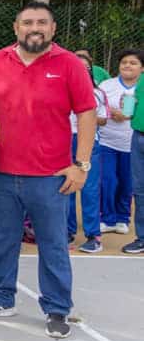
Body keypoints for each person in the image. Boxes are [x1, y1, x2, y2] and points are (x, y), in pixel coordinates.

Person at [0, 2, 96, 339]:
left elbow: (86, 113)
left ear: (52, 29)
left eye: (41, 22)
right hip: (2, 174)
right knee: (2, 240)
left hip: (51, 177)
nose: (34, 28)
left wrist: (81, 164)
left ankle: (56, 308)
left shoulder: (68, 64)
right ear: (16, 27)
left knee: (52, 244)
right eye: (27, 22)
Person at [97, 50, 143, 235]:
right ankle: (108, 218)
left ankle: (122, 218)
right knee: (108, 180)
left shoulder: (141, 87)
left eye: (133, 62)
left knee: (127, 183)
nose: (127, 65)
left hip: (131, 144)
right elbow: (97, 106)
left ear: (141, 68)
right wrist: (110, 113)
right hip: (107, 142)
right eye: (124, 62)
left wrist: (125, 115)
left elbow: (130, 113)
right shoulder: (107, 85)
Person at [67, 54, 108, 253]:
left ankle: (93, 236)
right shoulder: (60, 89)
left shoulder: (98, 93)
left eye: (86, 67)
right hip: (65, 141)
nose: (82, 69)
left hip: (89, 141)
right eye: (77, 65)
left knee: (89, 189)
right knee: (65, 187)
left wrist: (85, 113)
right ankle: (67, 232)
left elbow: (103, 119)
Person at [124, 50, 144, 254]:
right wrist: (129, 109)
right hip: (138, 137)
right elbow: (129, 111)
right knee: (139, 191)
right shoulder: (141, 81)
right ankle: (142, 238)